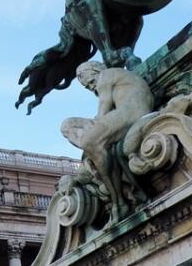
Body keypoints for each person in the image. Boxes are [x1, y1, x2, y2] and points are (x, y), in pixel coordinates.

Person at [60, 61, 154, 220]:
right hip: (128, 112)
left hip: (131, 112)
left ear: (96, 70)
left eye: (90, 81)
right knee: (68, 127)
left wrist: (90, 138)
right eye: (87, 86)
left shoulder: (106, 75)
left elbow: (103, 111)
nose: (91, 87)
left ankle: (119, 202)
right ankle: (118, 196)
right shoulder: (119, 80)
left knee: (90, 142)